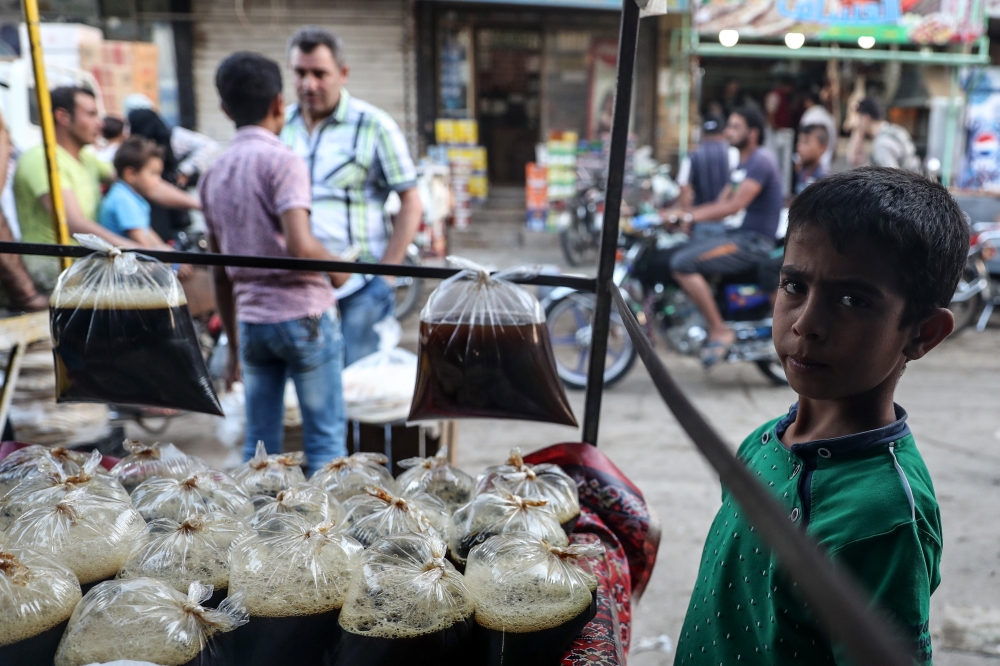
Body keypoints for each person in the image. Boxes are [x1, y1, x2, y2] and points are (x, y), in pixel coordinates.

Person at [674, 167, 964, 665]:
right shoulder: (763, 444)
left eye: (852, 300)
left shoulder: (886, 516)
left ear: (923, 333)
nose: (806, 324)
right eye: (794, 286)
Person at [200, 51, 350, 471]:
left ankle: (261, 532)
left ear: (225, 108)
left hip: (252, 323)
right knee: (324, 444)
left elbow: (220, 271)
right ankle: (324, 536)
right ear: (279, 104)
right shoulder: (283, 161)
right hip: (305, 318)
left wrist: (231, 346)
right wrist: (340, 269)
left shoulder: (214, 172)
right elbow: (301, 245)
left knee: (260, 450)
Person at [282, 26, 423, 366]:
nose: (308, 84)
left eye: (320, 73)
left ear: (342, 74)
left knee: (359, 391)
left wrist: (386, 274)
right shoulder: (280, 126)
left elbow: (411, 201)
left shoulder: (374, 126)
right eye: (300, 73)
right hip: (295, 290)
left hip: (359, 290)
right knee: (306, 402)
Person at [13, 86, 199, 293]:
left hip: (88, 263)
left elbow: (145, 183)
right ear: (63, 117)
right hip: (59, 268)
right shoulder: (43, 159)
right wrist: (144, 251)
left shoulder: (87, 160)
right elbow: (74, 223)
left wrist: (199, 204)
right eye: (91, 114)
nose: (100, 123)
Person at [661, 106, 784, 366]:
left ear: (753, 133)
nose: (728, 132)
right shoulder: (743, 164)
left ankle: (718, 328)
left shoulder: (761, 160)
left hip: (753, 242)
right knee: (689, 245)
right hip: (737, 234)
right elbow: (718, 205)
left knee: (682, 263)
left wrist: (688, 216)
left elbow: (733, 206)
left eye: (735, 127)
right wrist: (678, 214)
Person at [98, 136, 171, 250]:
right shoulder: (123, 200)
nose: (158, 181)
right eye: (153, 174)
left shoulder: (131, 196)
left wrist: (169, 253)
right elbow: (143, 244)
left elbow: (147, 231)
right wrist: (171, 262)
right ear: (130, 174)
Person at [675, 114, 739, 239]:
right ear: (724, 133)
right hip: (728, 222)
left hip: (700, 222)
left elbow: (684, 189)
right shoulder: (733, 154)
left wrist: (687, 217)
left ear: (702, 133)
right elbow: (736, 185)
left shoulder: (692, 156)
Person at [852, 97, 921, 172]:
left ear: (866, 118)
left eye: (859, 118)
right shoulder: (898, 130)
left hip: (907, 182)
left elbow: (892, 179)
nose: (857, 123)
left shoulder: (881, 143)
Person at [798, 84, 836, 169]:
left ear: (809, 101)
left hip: (812, 162)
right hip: (826, 161)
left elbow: (803, 138)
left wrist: (799, 158)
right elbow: (834, 142)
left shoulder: (809, 115)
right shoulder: (828, 116)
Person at [794, 124, 829, 195]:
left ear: (822, 148)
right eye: (799, 142)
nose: (799, 147)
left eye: (806, 142)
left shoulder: (823, 179)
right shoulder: (801, 171)